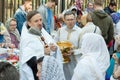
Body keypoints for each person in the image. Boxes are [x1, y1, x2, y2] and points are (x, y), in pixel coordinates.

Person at [19, 10, 63, 80]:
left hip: (48, 72)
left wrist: (53, 49)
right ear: (29, 23)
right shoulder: (27, 38)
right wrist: (43, 52)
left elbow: (49, 47)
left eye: (40, 20)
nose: (40, 23)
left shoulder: (42, 32)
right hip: (36, 74)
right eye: (36, 21)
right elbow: (27, 61)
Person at [55, 11, 82, 80]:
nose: (70, 22)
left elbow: (83, 48)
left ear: (75, 19)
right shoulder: (60, 31)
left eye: (72, 19)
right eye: (68, 20)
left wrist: (73, 51)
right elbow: (55, 43)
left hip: (74, 62)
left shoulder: (80, 32)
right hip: (61, 61)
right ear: (64, 20)